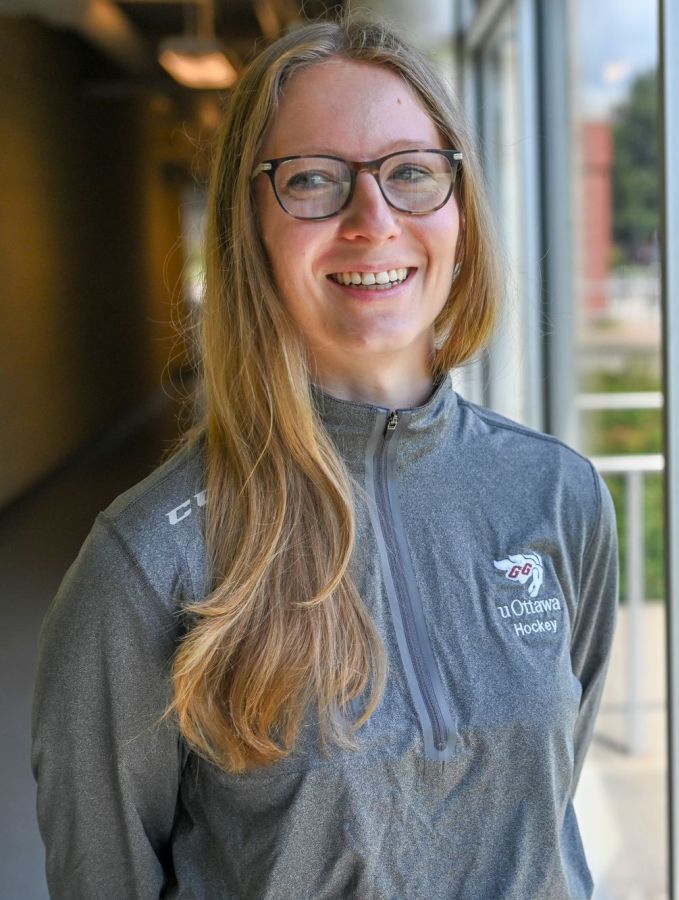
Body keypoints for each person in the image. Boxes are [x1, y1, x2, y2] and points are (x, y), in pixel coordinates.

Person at [31, 16, 618, 899]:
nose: (372, 220)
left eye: (412, 173)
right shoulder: (147, 563)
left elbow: (547, 807)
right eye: (313, 181)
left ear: (459, 207)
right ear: (250, 224)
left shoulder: (554, 494)